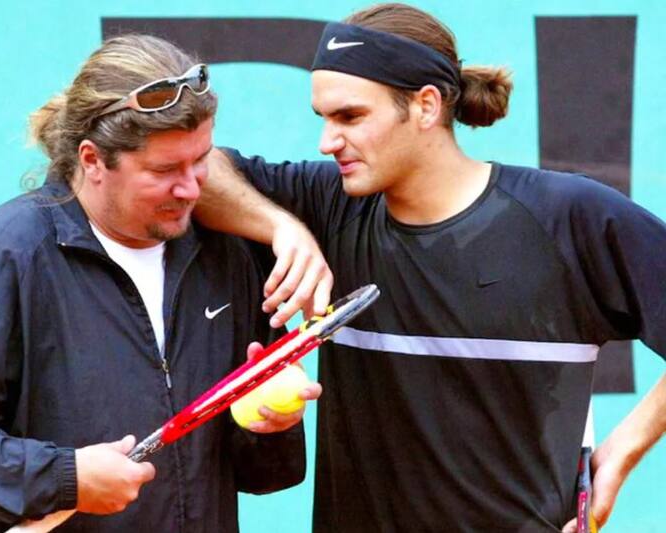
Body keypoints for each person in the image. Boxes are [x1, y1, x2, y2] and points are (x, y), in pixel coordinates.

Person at [194, 3, 666, 532]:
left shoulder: (567, 218)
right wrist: (282, 227)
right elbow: (200, 170)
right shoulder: (327, 204)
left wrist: (620, 455)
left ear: (425, 106)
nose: (328, 141)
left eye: (350, 117)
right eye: (323, 119)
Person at [0, 34, 316, 533]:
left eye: (201, 161)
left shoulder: (225, 252)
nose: (192, 187)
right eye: (164, 170)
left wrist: (268, 429)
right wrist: (64, 478)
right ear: (91, 160)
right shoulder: (3, 254)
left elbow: (256, 474)